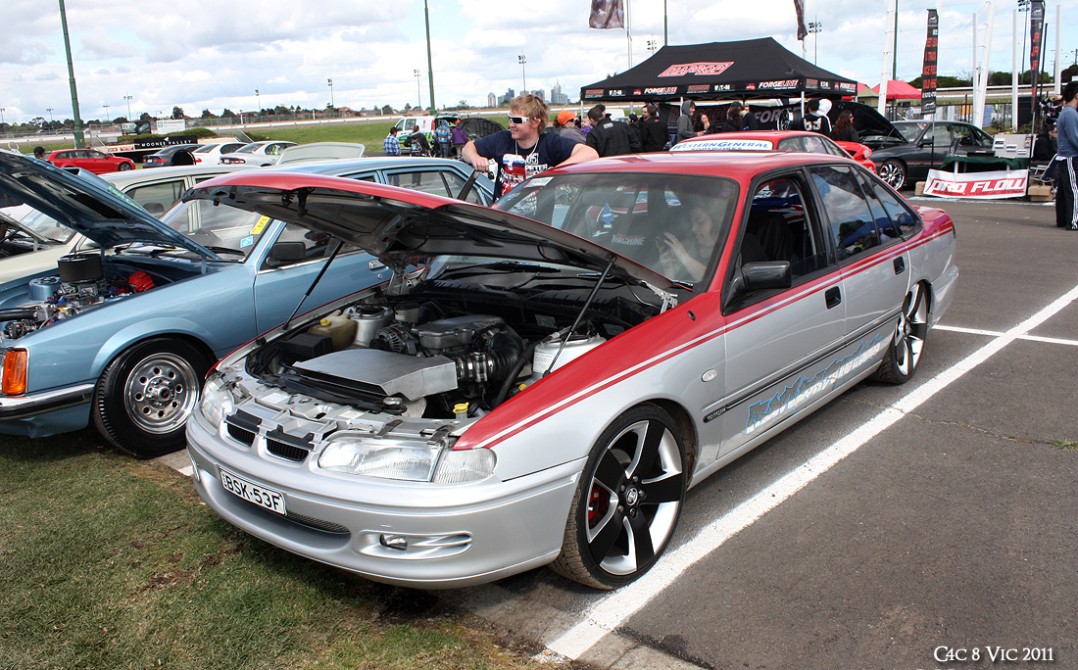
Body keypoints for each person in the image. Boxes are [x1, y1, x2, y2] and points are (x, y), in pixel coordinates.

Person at [461, 93, 598, 200]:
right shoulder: (502, 139)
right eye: (510, 118)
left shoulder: (550, 143)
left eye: (517, 120)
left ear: (535, 122)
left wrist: (556, 171)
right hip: (502, 219)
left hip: (536, 225)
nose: (511, 124)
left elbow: (590, 154)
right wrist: (475, 158)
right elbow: (468, 148)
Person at [657, 205, 719, 281]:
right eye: (691, 223)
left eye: (700, 222)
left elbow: (714, 281)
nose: (693, 228)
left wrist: (684, 257)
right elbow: (671, 288)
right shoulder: (690, 247)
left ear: (717, 222)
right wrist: (669, 269)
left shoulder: (731, 251)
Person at [1054, 81, 1078, 230]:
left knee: (1064, 191)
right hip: (1070, 155)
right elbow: (1074, 137)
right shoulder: (1070, 113)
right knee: (1074, 189)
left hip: (1064, 156)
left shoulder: (1066, 112)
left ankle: (1063, 219)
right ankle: (1074, 221)